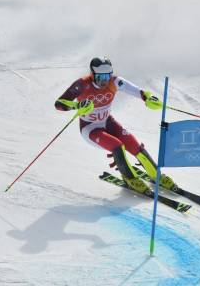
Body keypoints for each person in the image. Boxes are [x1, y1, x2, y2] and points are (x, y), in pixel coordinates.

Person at [54, 57, 177, 195]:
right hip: (90, 129)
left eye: (107, 76)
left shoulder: (114, 81)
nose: (104, 81)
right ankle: (130, 179)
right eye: (100, 77)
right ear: (92, 74)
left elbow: (138, 91)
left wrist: (147, 98)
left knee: (133, 143)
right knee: (117, 146)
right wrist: (77, 105)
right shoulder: (82, 84)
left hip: (108, 122)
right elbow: (59, 104)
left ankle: (156, 175)